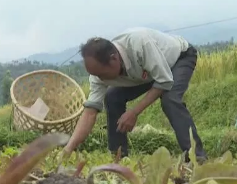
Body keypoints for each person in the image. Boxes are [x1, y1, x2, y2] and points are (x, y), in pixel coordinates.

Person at [62, 27, 208, 163]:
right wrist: (68, 149)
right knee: (112, 97)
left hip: (178, 60)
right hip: (148, 73)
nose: (100, 79)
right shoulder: (98, 74)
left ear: (114, 59)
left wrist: (134, 112)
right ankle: (118, 157)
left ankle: (196, 157)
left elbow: (164, 81)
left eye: (102, 74)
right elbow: (90, 113)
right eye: (96, 75)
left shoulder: (140, 44)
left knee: (169, 100)